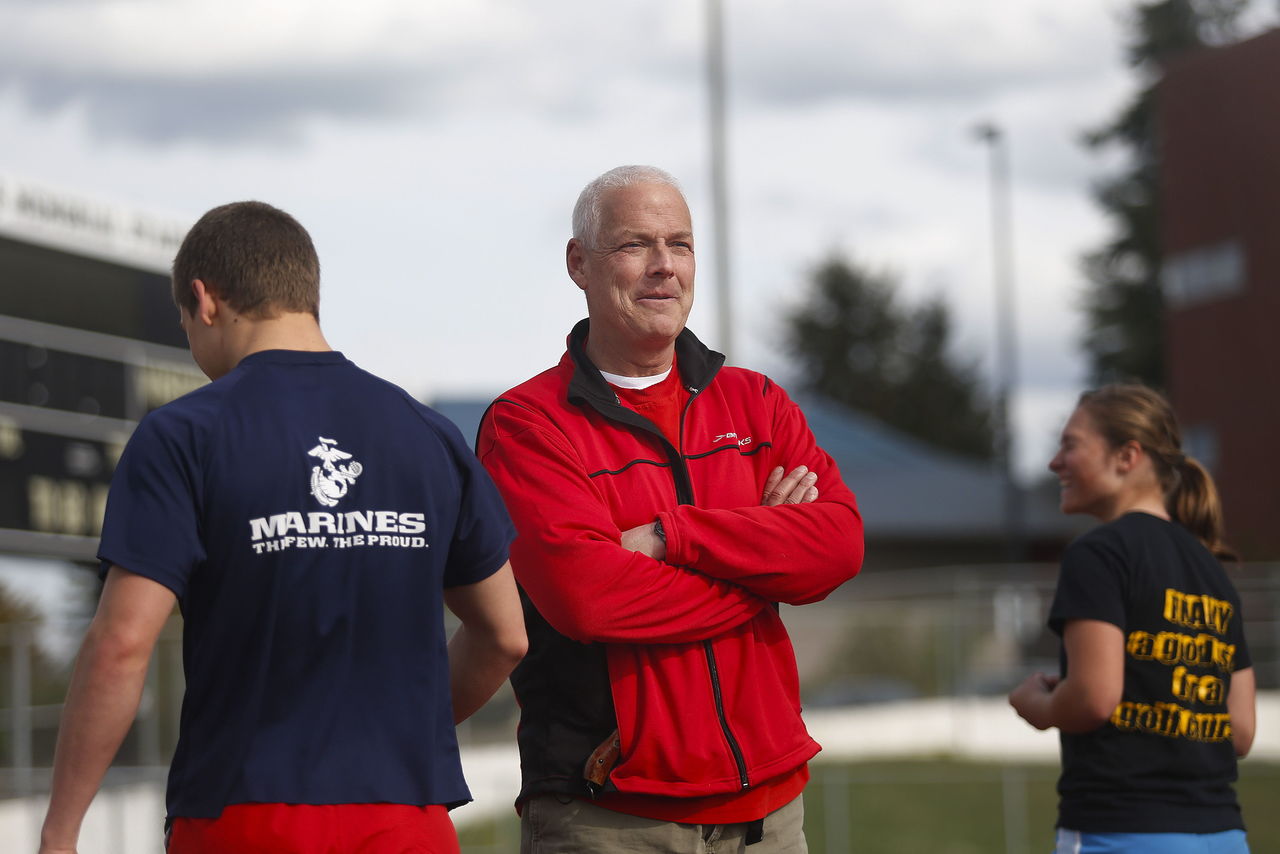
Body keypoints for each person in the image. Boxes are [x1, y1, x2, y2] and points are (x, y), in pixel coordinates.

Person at [39, 201, 528, 854]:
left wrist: (61, 831)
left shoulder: (184, 435)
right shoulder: (427, 434)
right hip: (406, 817)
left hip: (244, 814)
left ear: (203, 300)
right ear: (306, 295)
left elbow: (123, 642)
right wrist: (400, 731)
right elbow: (504, 636)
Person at [476, 165, 864, 853]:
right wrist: (763, 571)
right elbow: (589, 600)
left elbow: (838, 546)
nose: (663, 267)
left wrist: (670, 535)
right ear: (580, 263)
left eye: (679, 245)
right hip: (611, 817)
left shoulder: (756, 402)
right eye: (635, 245)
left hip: (770, 815)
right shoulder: (528, 425)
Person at [1010, 384, 1256, 854]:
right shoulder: (1213, 571)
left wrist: (1038, 707)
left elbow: (1094, 699)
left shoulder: (1098, 554)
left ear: (1127, 456)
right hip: (1224, 837)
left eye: (1070, 444)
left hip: (1123, 832)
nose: (1054, 462)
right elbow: (1239, 730)